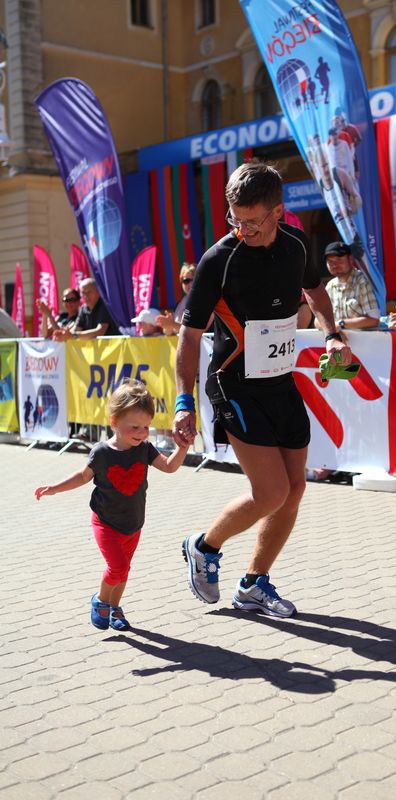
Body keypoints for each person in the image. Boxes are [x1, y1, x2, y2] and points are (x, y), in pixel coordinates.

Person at [173, 162, 350, 618]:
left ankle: (254, 583)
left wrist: (332, 334)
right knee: (271, 492)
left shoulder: (296, 245)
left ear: (278, 212)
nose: (242, 229)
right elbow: (189, 336)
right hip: (233, 384)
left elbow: (315, 291)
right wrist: (183, 402)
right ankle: (204, 546)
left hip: (280, 381)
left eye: (252, 221)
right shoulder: (219, 259)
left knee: (295, 488)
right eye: (235, 219)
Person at [34, 381, 189, 631]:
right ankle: (100, 600)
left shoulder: (145, 449)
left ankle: (115, 608)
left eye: (146, 427)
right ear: (114, 421)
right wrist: (55, 488)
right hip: (106, 523)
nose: (141, 433)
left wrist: (183, 447)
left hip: (134, 523)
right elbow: (82, 476)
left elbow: (170, 467)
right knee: (117, 567)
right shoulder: (102, 453)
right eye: (135, 427)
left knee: (123, 570)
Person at [315, 242, 380, 333]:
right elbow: (317, 321)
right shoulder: (330, 286)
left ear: (351, 259)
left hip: (366, 340)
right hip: (339, 340)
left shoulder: (363, 281)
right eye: (330, 261)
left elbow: (374, 320)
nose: (334, 265)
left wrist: (340, 324)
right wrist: (335, 328)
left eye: (339, 260)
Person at [53, 278, 119, 341]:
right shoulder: (83, 309)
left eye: (89, 292)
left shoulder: (105, 306)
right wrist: (64, 334)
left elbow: (100, 331)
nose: (86, 296)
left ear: (98, 292)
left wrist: (73, 335)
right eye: (83, 293)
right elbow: (76, 330)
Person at [157, 264, 196, 336]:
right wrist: (167, 326)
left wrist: (172, 324)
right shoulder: (179, 303)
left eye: (194, 280)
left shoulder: (203, 302)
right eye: (186, 280)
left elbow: (193, 330)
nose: (190, 284)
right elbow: (169, 332)